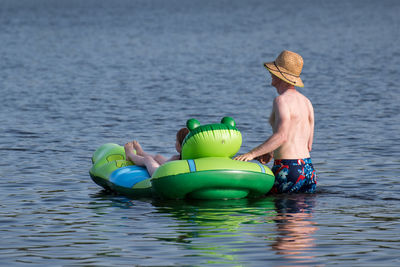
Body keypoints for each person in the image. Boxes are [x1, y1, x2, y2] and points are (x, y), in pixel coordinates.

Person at [235, 50, 317, 193]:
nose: (270, 74)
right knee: (301, 214)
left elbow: (282, 136)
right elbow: (307, 144)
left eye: (273, 71)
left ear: (280, 76)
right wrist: (271, 152)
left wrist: (251, 154)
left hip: (288, 169)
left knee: (279, 213)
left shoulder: (281, 101)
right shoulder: (307, 102)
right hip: (308, 169)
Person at [124, 127, 189, 176]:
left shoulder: (179, 159)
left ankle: (130, 154)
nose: (175, 143)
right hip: (169, 169)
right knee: (158, 157)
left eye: (176, 140)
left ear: (180, 145)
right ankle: (141, 153)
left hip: (160, 175)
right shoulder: (182, 157)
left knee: (147, 159)